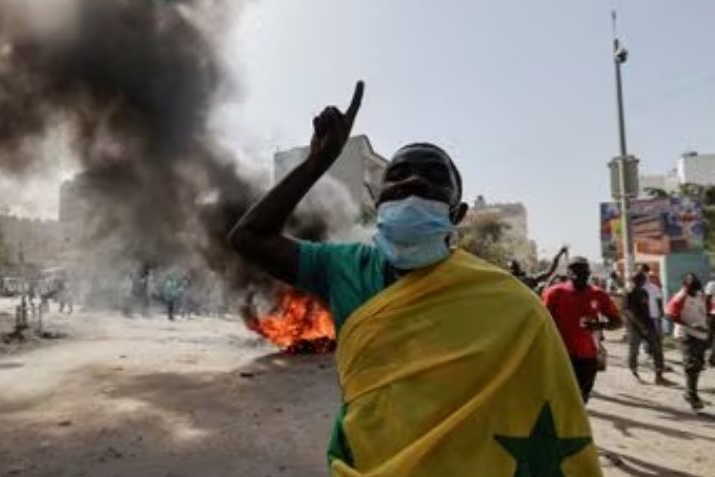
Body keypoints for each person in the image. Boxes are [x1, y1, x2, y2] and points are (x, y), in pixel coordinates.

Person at [229, 82, 600, 476]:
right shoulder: (345, 267)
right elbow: (249, 237)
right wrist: (317, 162)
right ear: (378, 202)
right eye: (399, 174)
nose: (413, 181)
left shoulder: (510, 304)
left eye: (433, 176)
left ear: (456, 215)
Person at [543, 257, 623, 402]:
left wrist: (598, 326)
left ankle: (576, 422)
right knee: (561, 398)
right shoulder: (554, 293)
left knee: (582, 398)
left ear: (589, 272)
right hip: (561, 355)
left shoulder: (598, 294)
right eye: (575, 270)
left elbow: (617, 322)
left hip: (588, 356)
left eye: (584, 270)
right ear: (568, 273)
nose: (580, 274)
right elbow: (543, 322)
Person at [666, 273, 711, 410]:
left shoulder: (701, 296)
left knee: (697, 366)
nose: (694, 286)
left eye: (696, 283)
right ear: (685, 284)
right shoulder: (680, 297)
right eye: (691, 284)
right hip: (685, 334)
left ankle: (690, 393)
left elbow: (709, 312)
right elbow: (669, 315)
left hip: (701, 335)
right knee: (692, 364)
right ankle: (692, 395)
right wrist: (690, 326)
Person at [626, 272, 669, 385]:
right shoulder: (629, 293)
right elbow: (629, 312)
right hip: (634, 327)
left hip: (648, 324)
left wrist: (649, 324)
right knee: (634, 350)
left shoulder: (644, 292)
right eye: (638, 279)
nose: (641, 281)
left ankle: (659, 375)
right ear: (634, 281)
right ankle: (634, 373)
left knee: (657, 348)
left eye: (642, 279)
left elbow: (646, 309)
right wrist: (640, 326)